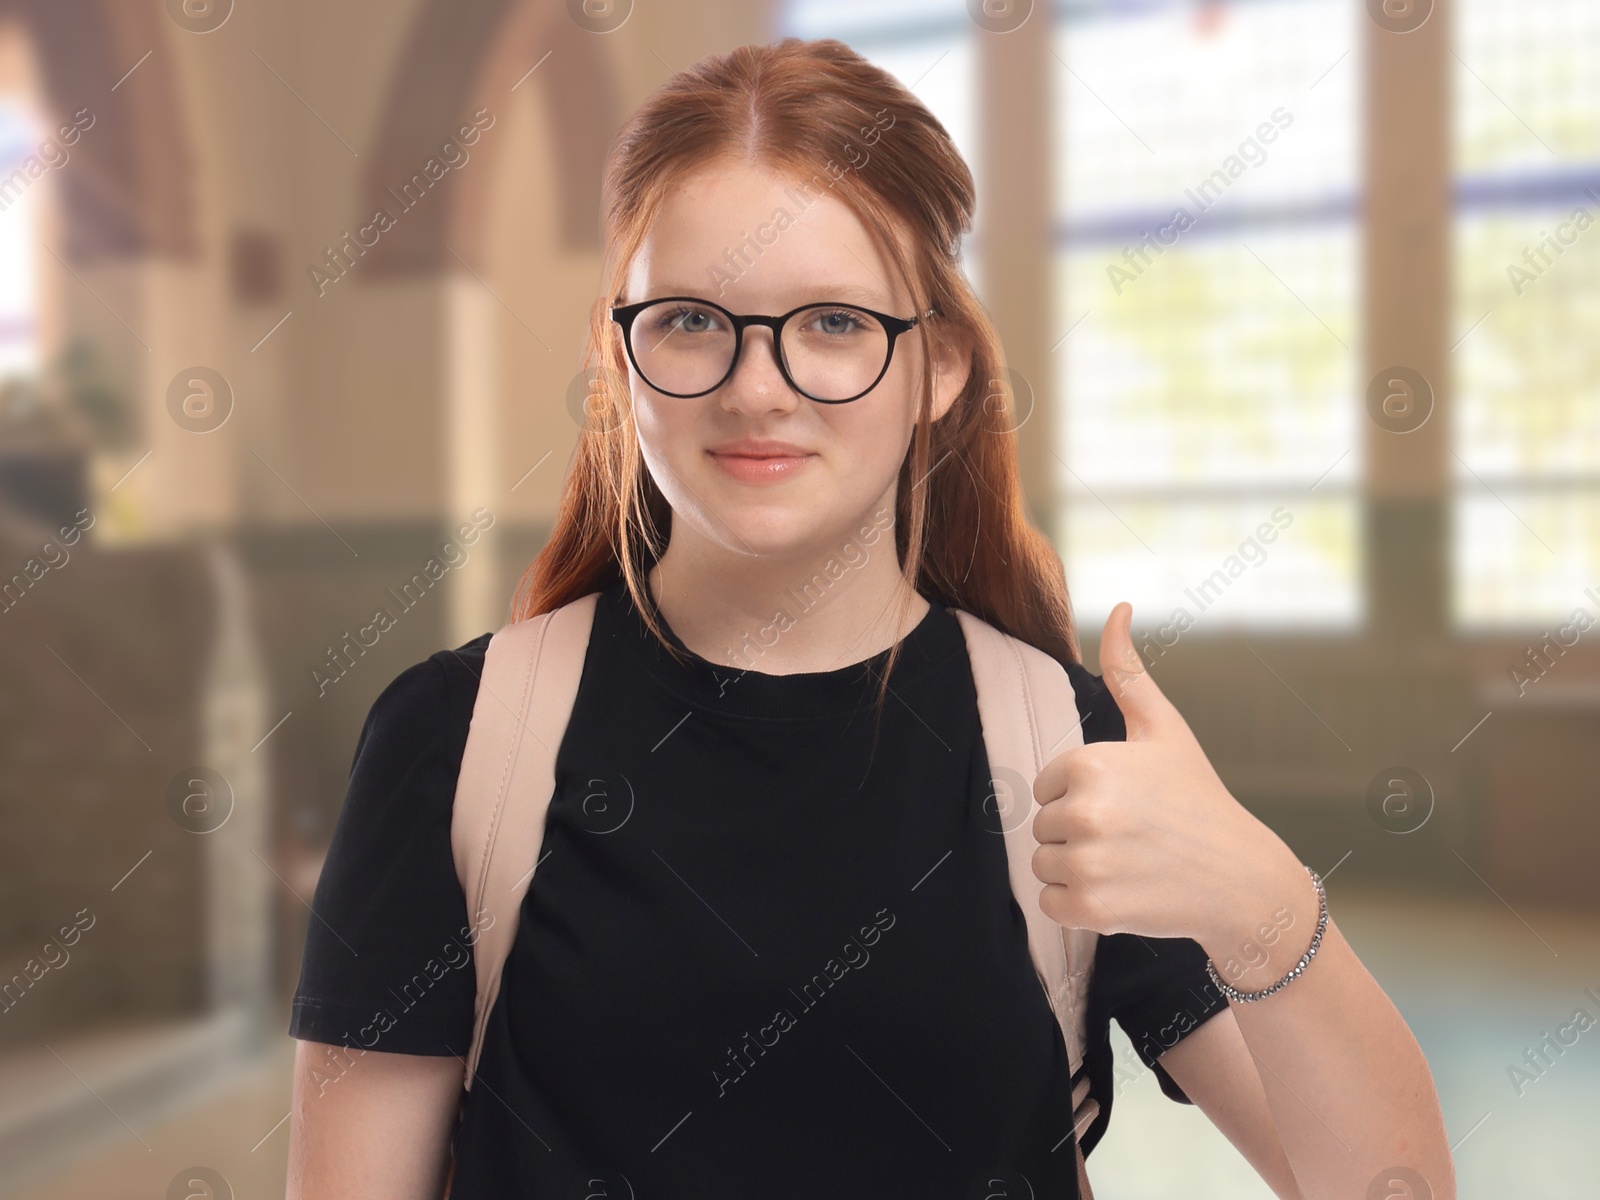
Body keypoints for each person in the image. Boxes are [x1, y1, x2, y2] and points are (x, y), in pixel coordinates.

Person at [284, 37, 1453, 1200]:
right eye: (691, 319)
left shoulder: (1061, 748)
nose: (755, 386)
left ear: (936, 367)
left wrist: (1258, 901)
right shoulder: (451, 743)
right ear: (615, 351)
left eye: (834, 324)